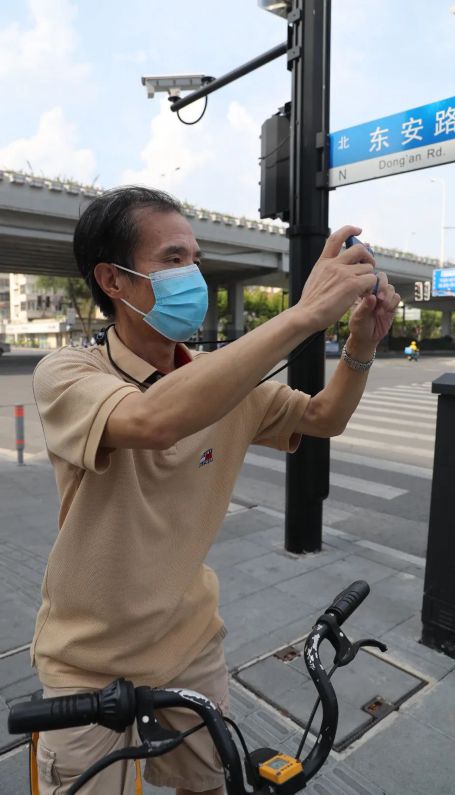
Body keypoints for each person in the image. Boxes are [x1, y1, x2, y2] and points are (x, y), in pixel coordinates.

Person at [31, 186, 400, 794]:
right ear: (113, 281)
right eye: (173, 259)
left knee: (212, 785)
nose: (193, 275)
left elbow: (325, 417)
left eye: (195, 259)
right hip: (85, 661)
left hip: (191, 643)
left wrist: (361, 344)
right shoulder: (70, 373)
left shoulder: (225, 383)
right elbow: (152, 421)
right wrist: (303, 314)